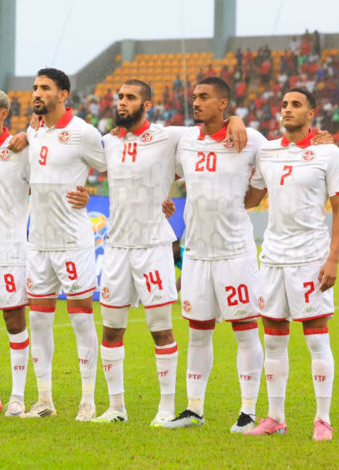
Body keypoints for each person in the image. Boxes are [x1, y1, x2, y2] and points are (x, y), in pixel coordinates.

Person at [94, 80, 247, 426]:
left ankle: (165, 408)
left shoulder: (170, 137)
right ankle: (116, 407)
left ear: (146, 105)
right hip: (116, 246)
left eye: (130, 97)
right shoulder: (105, 142)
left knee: (160, 329)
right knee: (111, 330)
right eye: (119, 97)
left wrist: (235, 118)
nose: (121, 102)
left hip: (153, 247)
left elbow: (213, 128)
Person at [0, 88, 89, 416]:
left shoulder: (23, 150)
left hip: (13, 249)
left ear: (4, 114)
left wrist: (81, 196)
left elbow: (49, 182)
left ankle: (17, 396)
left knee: (15, 321)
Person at [163, 77, 267, 432]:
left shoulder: (250, 139)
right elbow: (140, 137)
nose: (196, 102)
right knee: (198, 331)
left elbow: (276, 165)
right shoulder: (185, 139)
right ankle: (194, 410)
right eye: (194, 97)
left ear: (223, 103)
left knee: (244, 329)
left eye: (204, 97)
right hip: (195, 253)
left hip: (234, 252)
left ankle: (249, 411)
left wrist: (237, 121)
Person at [244, 88, 339, 441]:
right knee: (273, 339)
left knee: (316, 339)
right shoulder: (267, 152)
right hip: (272, 257)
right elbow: (251, 197)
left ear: (311, 113)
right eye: (285, 104)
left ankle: (322, 419)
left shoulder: (328, 152)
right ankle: (275, 417)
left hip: (310, 258)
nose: (287, 109)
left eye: (296, 105)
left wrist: (333, 259)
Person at [23, 68, 104, 420]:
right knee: (38, 322)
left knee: (81, 319)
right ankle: (44, 400)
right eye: (35, 88)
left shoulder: (83, 132)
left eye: (45, 88)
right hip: (39, 242)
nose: (37, 93)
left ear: (64, 95)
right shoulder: (33, 130)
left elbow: (113, 168)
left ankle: (88, 400)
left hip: (72, 240)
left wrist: (92, 193)